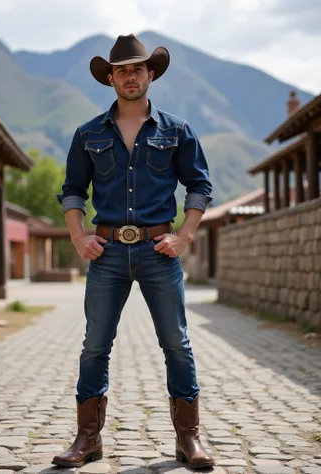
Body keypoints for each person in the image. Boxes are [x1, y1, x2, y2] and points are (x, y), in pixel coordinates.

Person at [53, 34, 214, 470]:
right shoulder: (88, 133)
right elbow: (71, 191)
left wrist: (183, 237)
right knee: (94, 347)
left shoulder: (177, 131)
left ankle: (189, 439)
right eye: (122, 70)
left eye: (137, 69)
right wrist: (77, 236)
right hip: (105, 254)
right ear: (110, 77)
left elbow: (200, 186)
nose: (130, 76)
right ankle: (87, 439)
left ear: (150, 75)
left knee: (177, 345)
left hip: (159, 253)